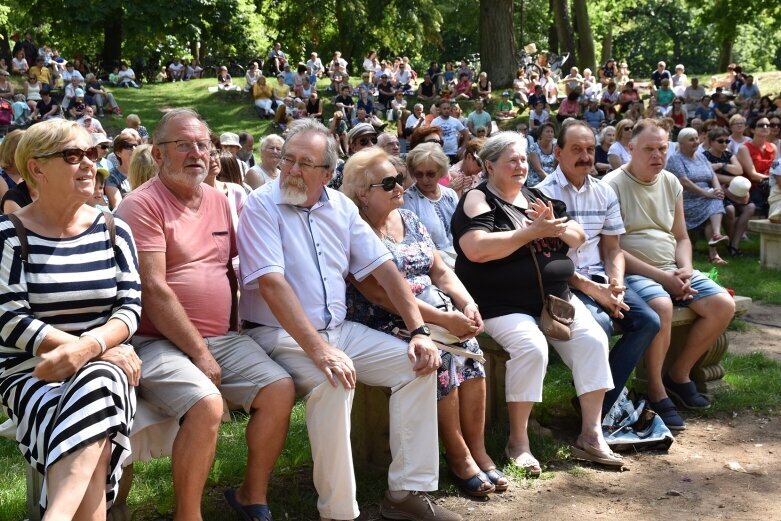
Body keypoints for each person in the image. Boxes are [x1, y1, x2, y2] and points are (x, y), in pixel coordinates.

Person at [236, 118, 462, 521]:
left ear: (327, 173)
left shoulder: (339, 206)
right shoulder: (260, 204)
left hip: (338, 332)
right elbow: (271, 284)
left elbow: (385, 271)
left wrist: (420, 332)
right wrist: (321, 351)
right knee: (335, 379)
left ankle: (407, 492)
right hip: (277, 335)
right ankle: (340, 513)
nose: (291, 169)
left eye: (305, 163)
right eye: (288, 158)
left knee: (421, 364)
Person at [116, 109, 294, 521]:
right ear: (158, 155)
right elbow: (154, 290)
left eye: (202, 144)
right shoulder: (140, 206)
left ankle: (253, 494)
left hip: (222, 338)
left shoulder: (219, 200)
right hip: (156, 341)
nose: (196, 153)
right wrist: (200, 353)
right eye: (183, 145)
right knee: (206, 404)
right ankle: (189, 515)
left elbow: (239, 267)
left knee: (280, 388)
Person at [340, 147, 507, 497]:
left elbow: (441, 270)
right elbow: (380, 296)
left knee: (471, 348)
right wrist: (444, 318)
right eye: (388, 183)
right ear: (361, 193)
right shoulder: (355, 230)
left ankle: (478, 450)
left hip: (435, 311)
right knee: (441, 356)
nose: (401, 186)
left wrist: (466, 303)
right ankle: (459, 457)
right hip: (385, 320)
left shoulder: (411, 220)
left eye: (400, 178)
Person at [451, 131, 622, 471]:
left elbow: (578, 235)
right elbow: (476, 248)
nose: (520, 166)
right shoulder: (478, 199)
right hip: (501, 303)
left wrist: (553, 228)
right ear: (490, 166)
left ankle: (591, 434)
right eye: (511, 160)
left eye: (522, 159)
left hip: (555, 300)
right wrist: (528, 233)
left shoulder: (537, 198)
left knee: (592, 340)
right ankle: (519, 441)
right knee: (532, 347)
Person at [0, 119, 142, 517]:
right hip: (34, 372)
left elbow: (129, 309)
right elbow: (9, 319)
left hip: (106, 365)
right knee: (95, 425)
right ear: (36, 169)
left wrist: (91, 350)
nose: (89, 166)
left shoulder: (115, 230)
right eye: (72, 155)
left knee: (96, 386)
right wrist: (88, 350)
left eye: (93, 155)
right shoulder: (9, 235)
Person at [603, 119, 736, 431]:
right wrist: (665, 280)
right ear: (631, 148)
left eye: (662, 148)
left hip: (673, 267)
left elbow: (682, 237)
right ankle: (655, 390)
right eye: (649, 149)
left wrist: (686, 269)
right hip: (636, 271)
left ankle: (678, 374)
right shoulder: (611, 184)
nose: (657, 155)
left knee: (722, 305)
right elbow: (613, 248)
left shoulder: (671, 182)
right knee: (661, 306)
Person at [537, 120, 659, 415]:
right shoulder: (542, 195)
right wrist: (596, 290)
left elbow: (613, 248)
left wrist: (615, 284)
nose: (586, 156)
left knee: (649, 321)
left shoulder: (604, 192)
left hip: (602, 278)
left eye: (590, 149)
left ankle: (597, 404)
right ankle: (603, 409)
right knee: (602, 325)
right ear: (558, 152)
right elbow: (548, 262)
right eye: (576, 149)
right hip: (565, 284)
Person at [666, 128, 730, 264]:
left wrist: (717, 189)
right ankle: (714, 249)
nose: (696, 142)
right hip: (686, 199)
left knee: (715, 201)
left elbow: (712, 175)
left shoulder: (701, 156)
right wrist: (706, 193)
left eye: (696, 138)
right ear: (681, 143)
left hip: (705, 196)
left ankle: (716, 238)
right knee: (713, 202)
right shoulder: (675, 159)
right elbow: (684, 181)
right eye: (691, 140)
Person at [402, 143, 460, 267]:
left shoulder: (450, 194)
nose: (424, 180)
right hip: (433, 264)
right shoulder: (409, 199)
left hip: (460, 256)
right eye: (418, 174)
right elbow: (412, 243)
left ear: (441, 171)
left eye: (430, 174)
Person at [701, 126, 753, 257]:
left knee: (751, 207)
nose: (724, 144)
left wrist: (721, 165)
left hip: (732, 190)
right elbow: (709, 176)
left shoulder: (728, 154)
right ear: (711, 142)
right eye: (720, 141)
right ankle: (732, 244)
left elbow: (739, 170)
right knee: (730, 210)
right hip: (715, 193)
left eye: (727, 141)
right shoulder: (704, 156)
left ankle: (734, 244)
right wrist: (732, 177)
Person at [735, 117, 777, 214]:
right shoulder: (744, 148)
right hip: (753, 188)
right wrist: (775, 180)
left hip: (771, 185)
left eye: (768, 125)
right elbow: (753, 175)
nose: (765, 127)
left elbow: (776, 169)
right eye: (761, 125)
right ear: (752, 129)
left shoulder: (773, 147)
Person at [105, 130, 142, 210]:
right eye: (129, 146)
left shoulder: (146, 172)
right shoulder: (112, 177)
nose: (134, 149)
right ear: (118, 152)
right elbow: (118, 208)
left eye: (136, 145)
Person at [431, 99, 469, 164]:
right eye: (444, 108)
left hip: (454, 153)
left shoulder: (455, 121)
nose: (446, 110)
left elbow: (466, 134)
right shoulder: (435, 122)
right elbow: (430, 137)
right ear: (440, 109)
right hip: (440, 154)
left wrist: (462, 149)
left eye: (448, 108)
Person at [527, 122, 556, 186]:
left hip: (553, 180)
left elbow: (558, 167)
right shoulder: (533, 147)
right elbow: (539, 170)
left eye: (552, 132)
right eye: (547, 131)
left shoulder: (555, 147)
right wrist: (553, 183)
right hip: (537, 182)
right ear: (541, 134)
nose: (550, 134)